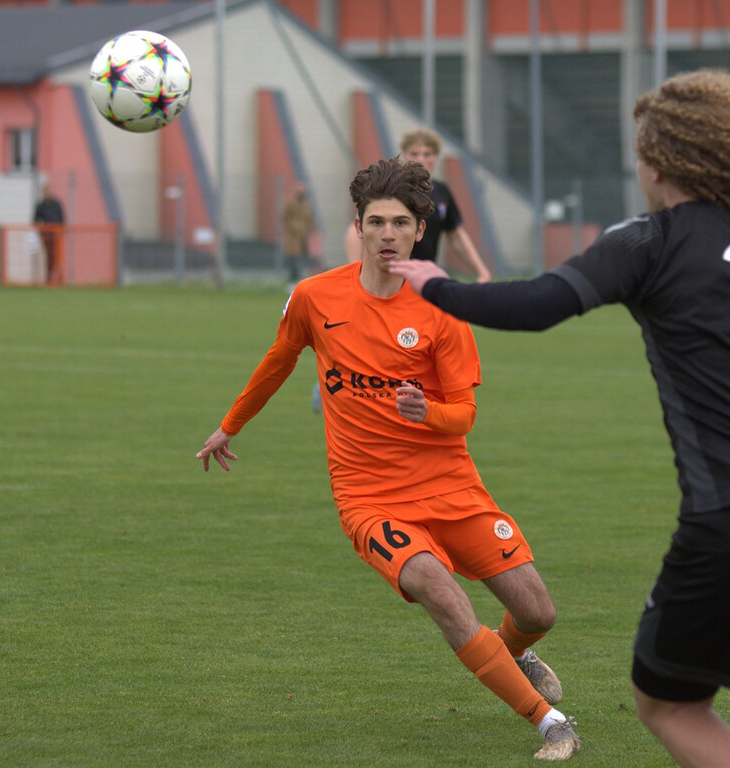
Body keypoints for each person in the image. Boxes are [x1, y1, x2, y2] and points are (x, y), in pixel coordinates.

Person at [388, 69, 730, 768]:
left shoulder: (650, 241)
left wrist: (436, 284)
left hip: (723, 519)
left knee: (669, 702)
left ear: (656, 163)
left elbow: (541, 303)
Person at [197, 157, 581, 761]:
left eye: (400, 223)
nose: (387, 235)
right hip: (369, 497)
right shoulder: (315, 295)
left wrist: (423, 411)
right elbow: (278, 361)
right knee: (436, 585)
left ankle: (515, 654)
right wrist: (228, 425)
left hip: (451, 484)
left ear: (420, 230)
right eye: (375, 222)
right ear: (358, 224)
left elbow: (463, 416)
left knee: (537, 609)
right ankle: (550, 722)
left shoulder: (445, 308)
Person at [344, 128, 492, 283]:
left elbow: (456, 235)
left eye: (427, 154)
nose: (421, 159)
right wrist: (355, 272)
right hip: (390, 277)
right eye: (414, 154)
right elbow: (354, 232)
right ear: (405, 155)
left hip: (423, 279)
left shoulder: (442, 192)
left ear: (435, 157)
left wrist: (481, 271)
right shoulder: (393, 190)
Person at [281, 180, 315, 290]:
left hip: (303, 237)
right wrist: (294, 227)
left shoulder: (306, 204)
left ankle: (299, 281)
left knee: (302, 259)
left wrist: (312, 231)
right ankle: (291, 280)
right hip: (293, 237)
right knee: (293, 259)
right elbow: (285, 217)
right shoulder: (290, 202)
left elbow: (309, 219)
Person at [33, 184, 65, 285]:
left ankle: (58, 279)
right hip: (46, 236)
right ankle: (49, 279)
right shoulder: (40, 205)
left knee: (57, 258)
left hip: (57, 235)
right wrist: (42, 230)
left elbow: (62, 219)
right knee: (49, 257)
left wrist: (60, 231)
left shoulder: (57, 204)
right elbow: (36, 220)